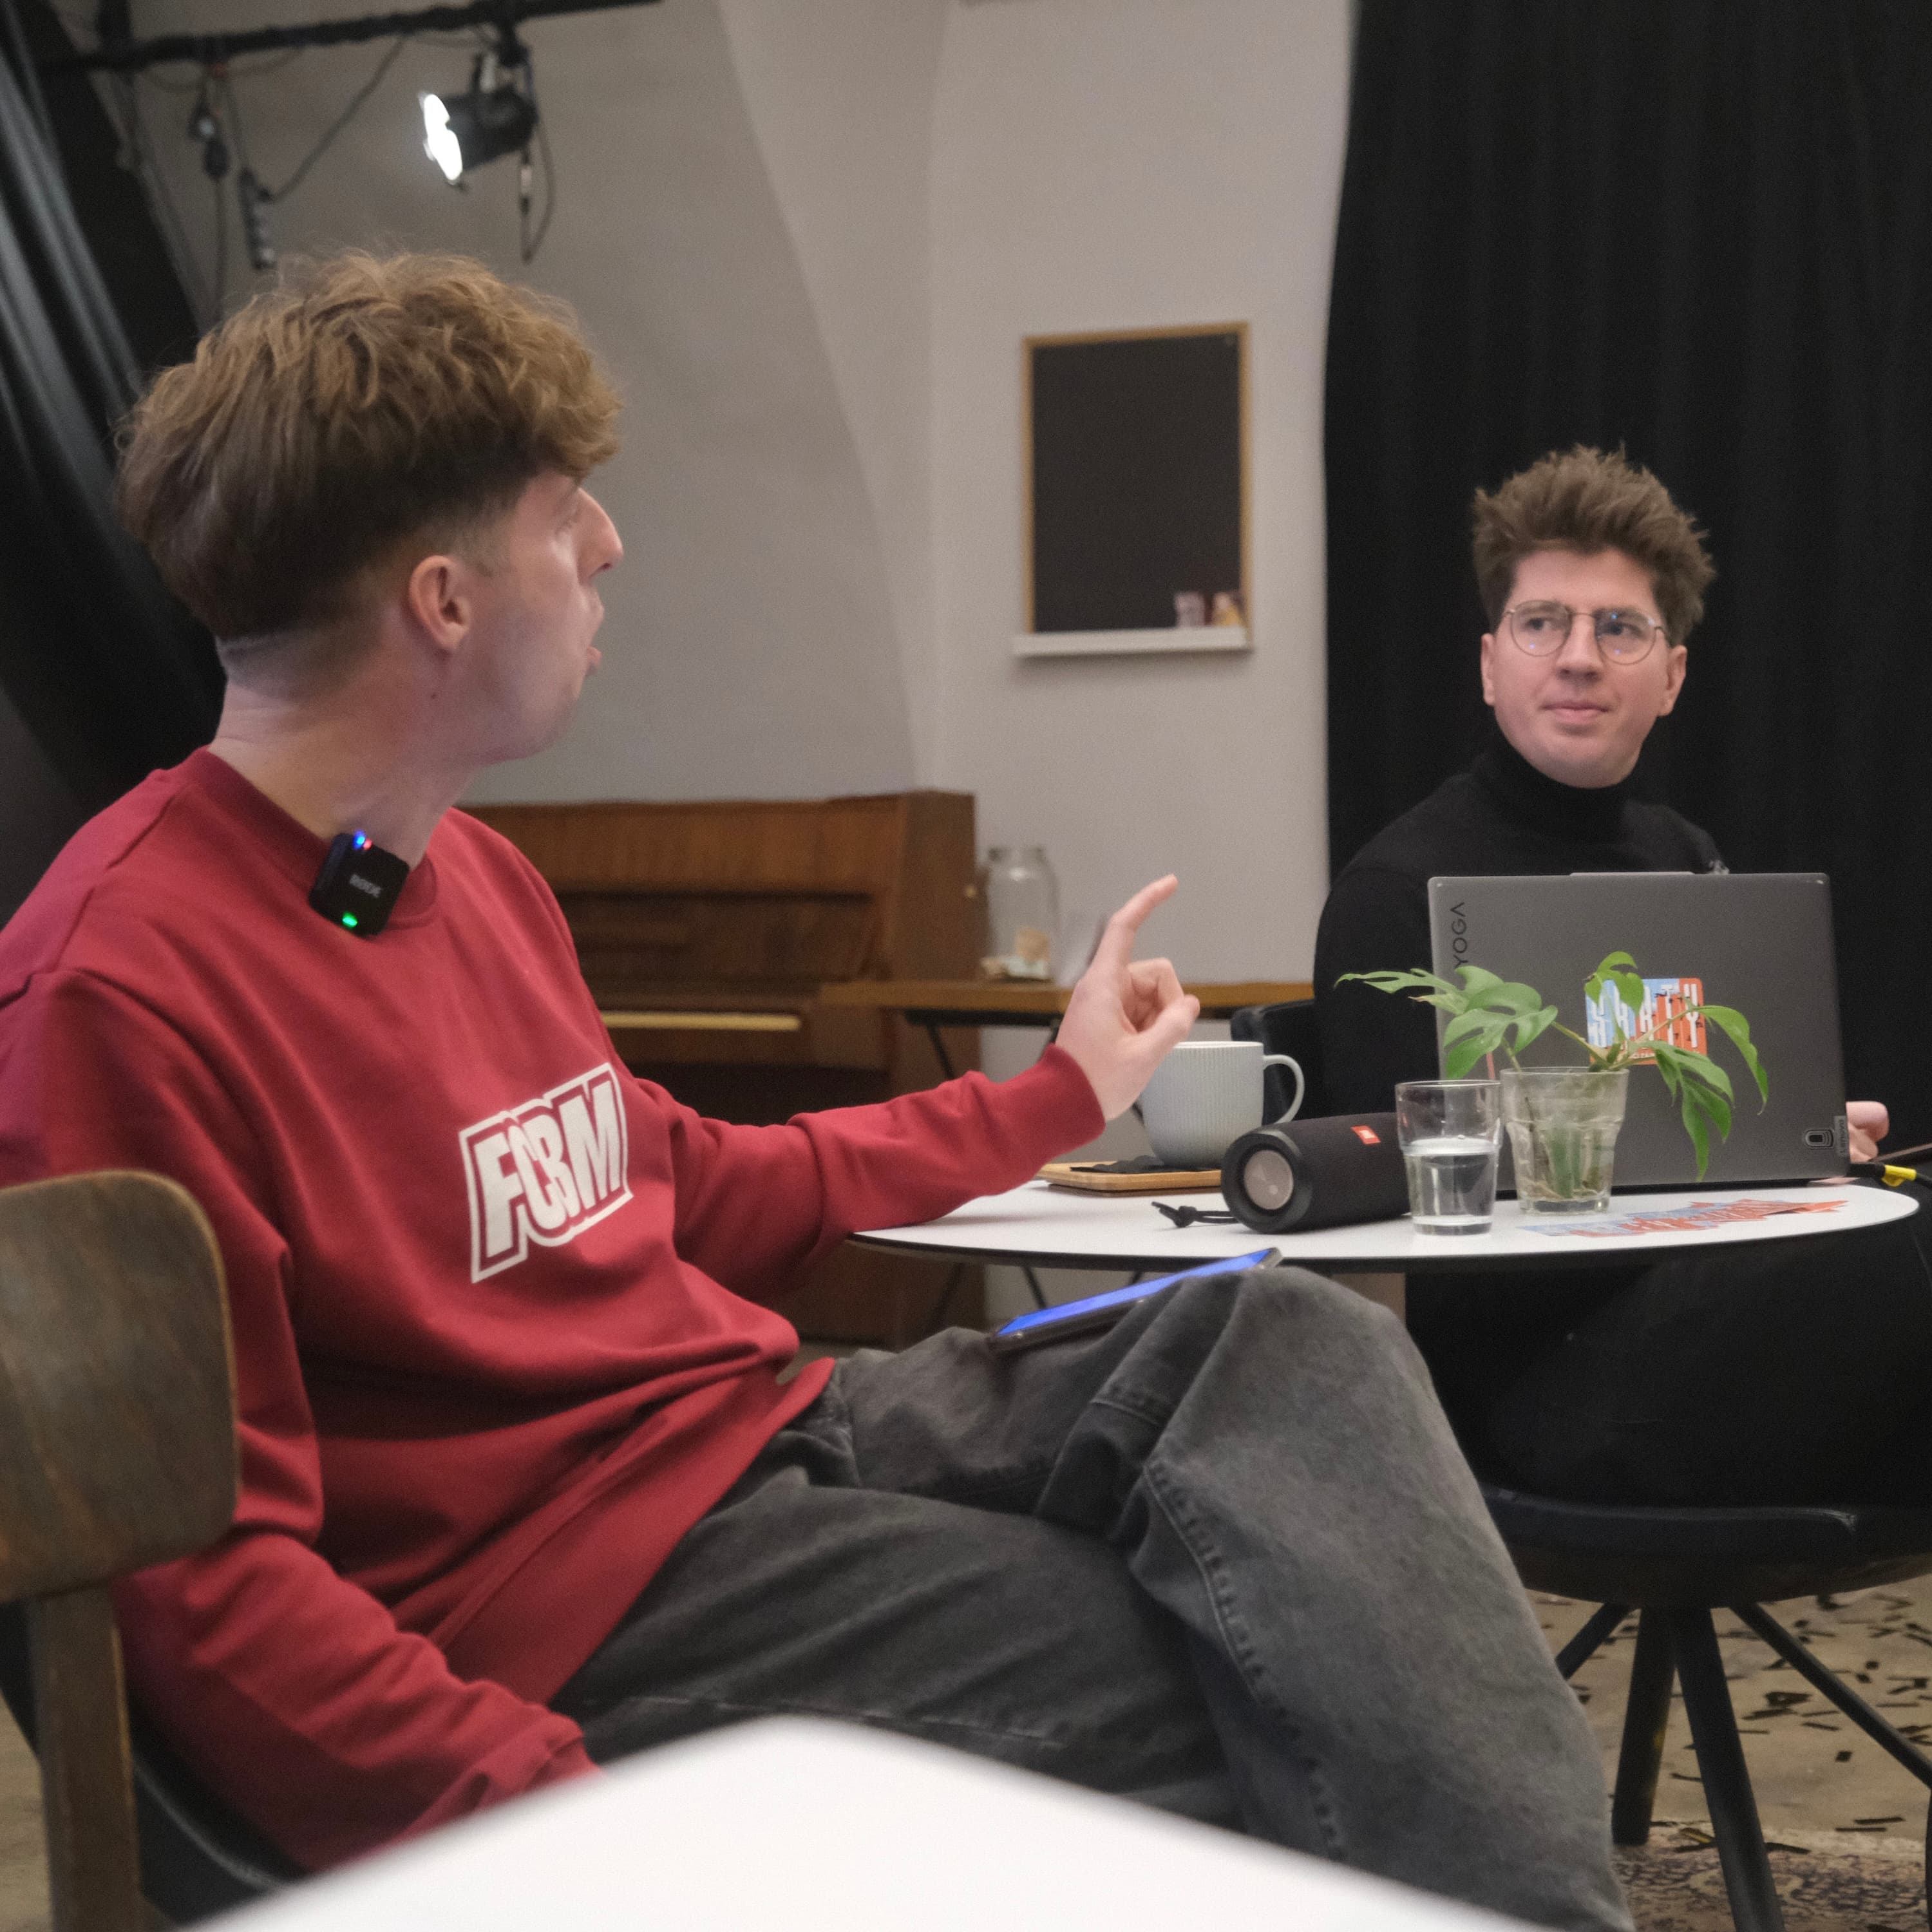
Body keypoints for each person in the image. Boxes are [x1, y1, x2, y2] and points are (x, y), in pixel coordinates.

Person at [0, 255, 1628, 1931]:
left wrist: (1059, 1093)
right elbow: (198, 1594)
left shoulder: (457, 874)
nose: (609, 547)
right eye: (565, 516)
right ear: (444, 602)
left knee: (1290, 1342)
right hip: (565, 1609)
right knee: (1275, 1658)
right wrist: (554, 1826)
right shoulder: (116, 993)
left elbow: (689, 1187)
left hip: (762, 1433)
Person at [1314, 446, 1932, 1504]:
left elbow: (1705, 1130)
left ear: (1672, 677)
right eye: (1541, 623)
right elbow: (1408, 1214)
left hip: (1721, 1320)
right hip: (1534, 1399)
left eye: (1619, 628)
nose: (1579, 658)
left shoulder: (1687, 858)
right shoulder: (1396, 891)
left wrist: (1800, 1146)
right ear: (1490, 665)